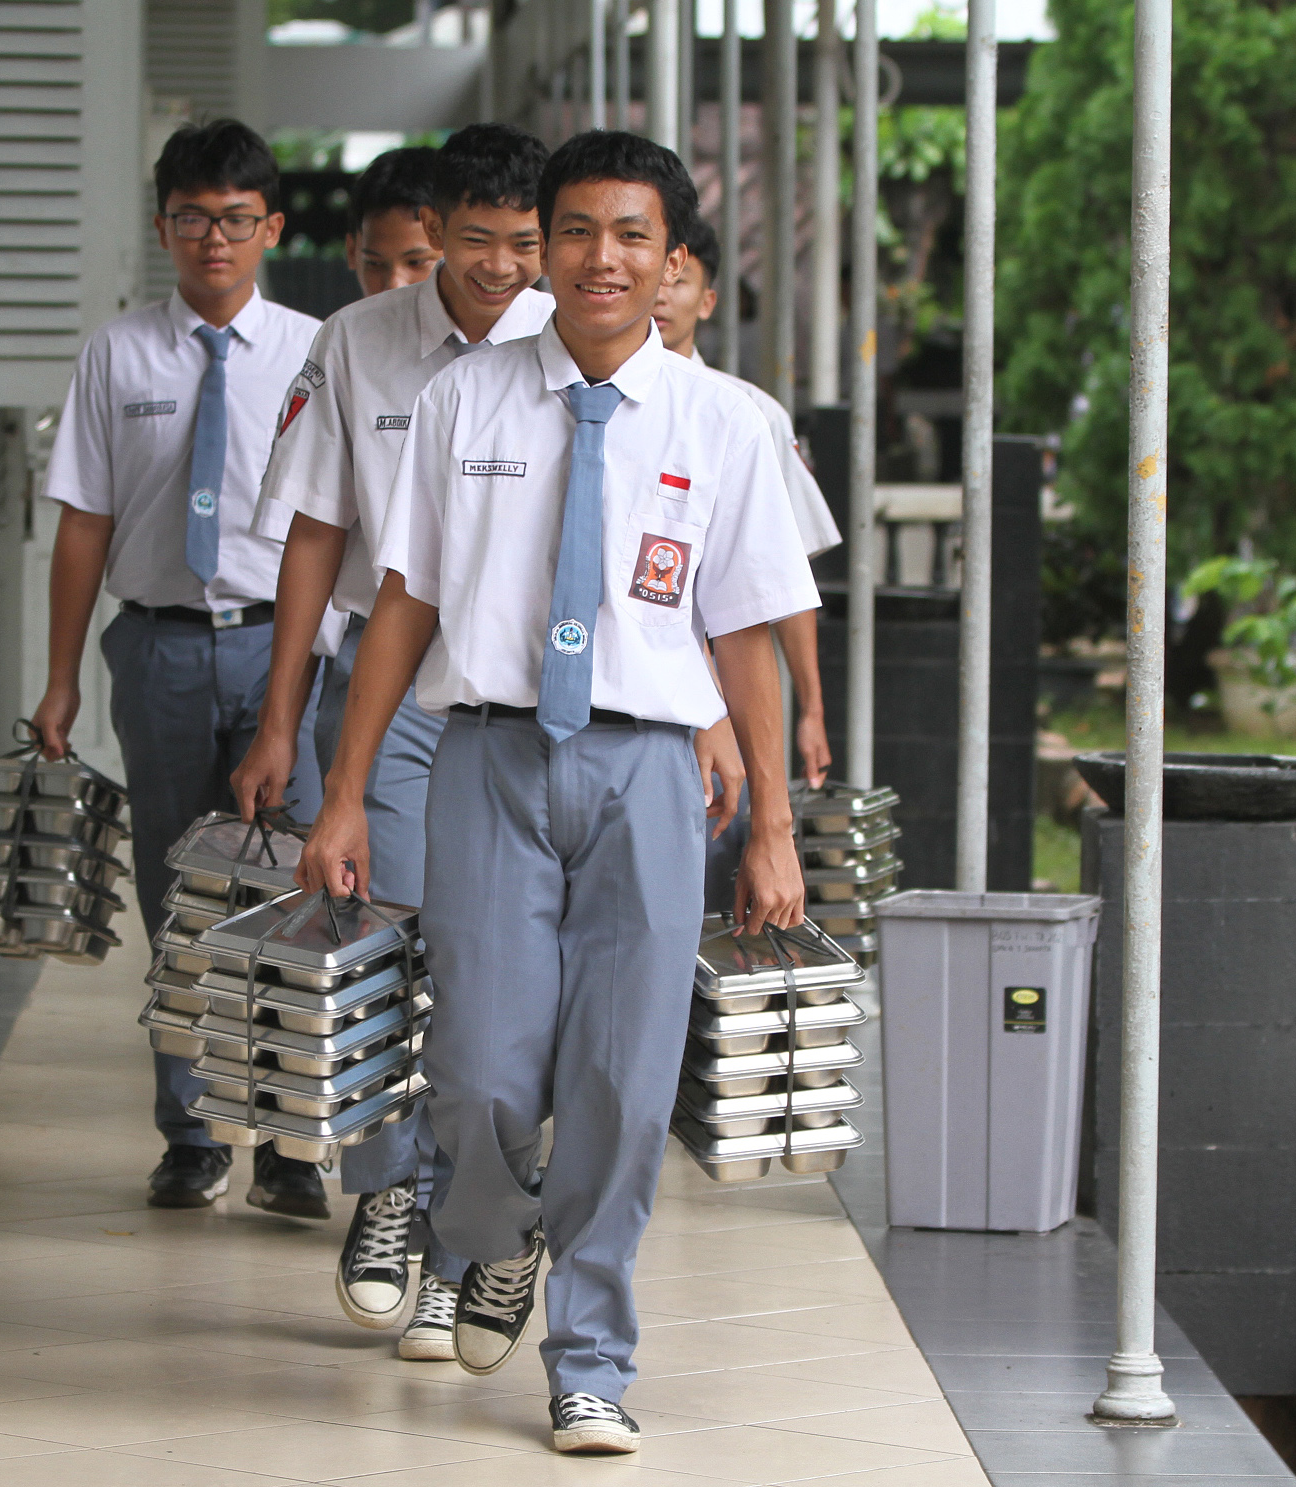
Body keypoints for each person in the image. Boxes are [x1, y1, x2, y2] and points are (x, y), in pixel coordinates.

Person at [297, 131, 817, 1456]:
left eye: (629, 235)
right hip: (486, 756)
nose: (600, 258)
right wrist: (345, 788)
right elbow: (402, 600)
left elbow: (745, 628)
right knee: (475, 1068)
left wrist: (769, 823)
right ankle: (492, 1231)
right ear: (544, 244)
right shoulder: (469, 400)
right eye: (574, 231)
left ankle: (589, 1357)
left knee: (621, 1087)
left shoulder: (723, 422)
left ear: (672, 260)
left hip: (646, 774)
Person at [234, 124, 556, 1363]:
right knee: (387, 944)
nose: (500, 267)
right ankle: (388, 1195)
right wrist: (281, 719)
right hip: (387, 694)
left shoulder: (566, 342)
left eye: (522, 244)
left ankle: (472, 1239)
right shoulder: (356, 343)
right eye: (474, 241)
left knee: (495, 978)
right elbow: (315, 535)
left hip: (526, 701)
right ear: (431, 237)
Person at [28, 119, 331, 1219]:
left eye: (238, 219)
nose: (216, 238)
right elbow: (82, 525)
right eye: (196, 217)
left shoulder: (314, 350)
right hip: (155, 641)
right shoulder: (117, 355)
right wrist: (59, 677)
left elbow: (334, 523)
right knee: (178, 889)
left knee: (297, 894)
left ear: (272, 229)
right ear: (164, 226)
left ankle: (294, 1140)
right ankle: (192, 1130)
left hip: (277, 646)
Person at [649, 214, 844, 907]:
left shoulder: (748, 417)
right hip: (627, 703)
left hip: (725, 694)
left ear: (707, 297)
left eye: (683, 278)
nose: (662, 294)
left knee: (709, 889)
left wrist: (811, 705)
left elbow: (780, 586)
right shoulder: (573, 406)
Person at [344, 145, 445, 296]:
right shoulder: (340, 321)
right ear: (351, 252)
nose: (394, 285)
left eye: (416, 262)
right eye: (374, 264)